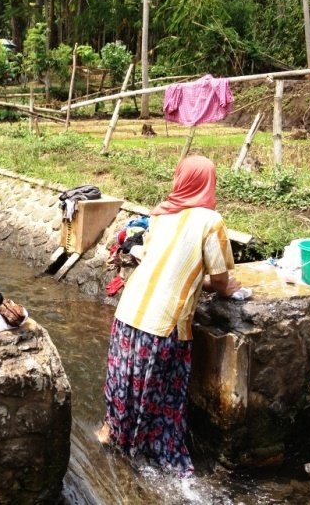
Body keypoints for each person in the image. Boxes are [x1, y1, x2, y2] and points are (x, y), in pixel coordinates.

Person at [99, 155, 241, 477]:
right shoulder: (210, 221)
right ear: (208, 182)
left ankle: (113, 433)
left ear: (180, 180)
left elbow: (151, 259)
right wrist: (224, 288)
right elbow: (220, 280)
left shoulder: (162, 215)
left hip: (128, 313)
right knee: (160, 394)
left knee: (125, 381)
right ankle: (152, 455)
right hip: (163, 324)